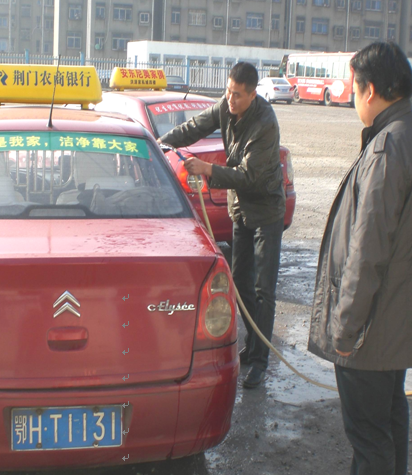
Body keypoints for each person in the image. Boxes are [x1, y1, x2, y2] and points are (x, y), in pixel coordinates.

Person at [308, 42, 412, 475]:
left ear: (370, 92)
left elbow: (367, 249)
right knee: (390, 422)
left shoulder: (388, 146)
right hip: (395, 322)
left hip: (371, 328)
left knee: (370, 440)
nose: (352, 98)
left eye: (353, 89)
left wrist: (345, 329)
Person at [158, 62, 286, 388]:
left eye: (238, 95)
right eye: (228, 92)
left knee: (264, 289)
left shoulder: (265, 123)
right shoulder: (226, 107)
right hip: (240, 209)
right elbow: (194, 127)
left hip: (266, 211)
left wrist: (207, 169)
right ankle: (254, 343)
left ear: (253, 95)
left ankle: (260, 360)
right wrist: (158, 144)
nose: (231, 99)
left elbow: (249, 176)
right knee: (240, 283)